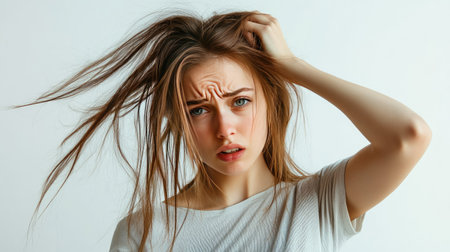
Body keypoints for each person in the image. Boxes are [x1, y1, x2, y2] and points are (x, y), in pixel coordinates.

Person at [18, 9, 431, 252]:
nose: (224, 129)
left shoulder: (316, 203)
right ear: (176, 119)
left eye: (240, 101)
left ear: (270, 100)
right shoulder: (144, 233)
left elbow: (408, 136)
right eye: (198, 110)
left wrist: (291, 67)